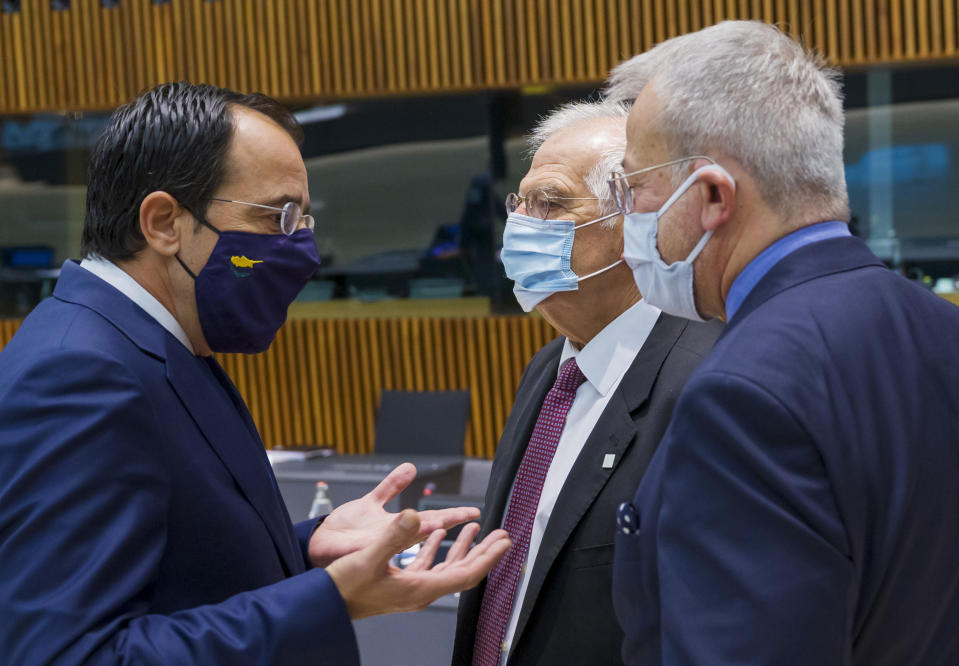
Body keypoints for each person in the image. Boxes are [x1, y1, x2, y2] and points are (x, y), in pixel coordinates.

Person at [0, 82, 509, 665]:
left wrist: (308, 547)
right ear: (165, 222)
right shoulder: (79, 374)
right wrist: (331, 598)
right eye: (281, 217)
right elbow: (71, 655)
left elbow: (178, 565)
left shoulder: (155, 342)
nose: (306, 251)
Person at [604, 21, 959, 665]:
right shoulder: (941, 326)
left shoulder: (741, 394)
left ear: (712, 195)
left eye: (633, 186)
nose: (626, 212)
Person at [452, 101, 722, 666]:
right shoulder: (550, 368)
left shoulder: (706, 382)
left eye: (550, 204)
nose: (523, 224)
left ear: (633, 222)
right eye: (520, 204)